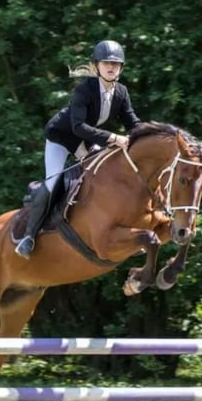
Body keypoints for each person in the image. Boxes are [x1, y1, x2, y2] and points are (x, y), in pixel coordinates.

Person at [15, 39, 142, 259]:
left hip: (84, 138)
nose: (111, 67)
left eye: (116, 64)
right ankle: (28, 236)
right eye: (106, 63)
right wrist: (113, 137)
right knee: (54, 182)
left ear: (121, 68)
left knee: (99, 176)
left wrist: (151, 135)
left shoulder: (121, 92)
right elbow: (78, 127)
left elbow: (133, 122)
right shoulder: (84, 89)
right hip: (61, 137)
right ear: (96, 66)